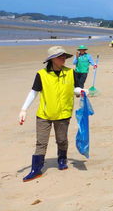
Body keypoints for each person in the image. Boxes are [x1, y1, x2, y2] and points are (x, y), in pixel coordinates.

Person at [18, 46, 85, 181]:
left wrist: (82, 91)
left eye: (64, 56)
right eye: (60, 56)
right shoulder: (42, 74)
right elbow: (34, 92)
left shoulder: (71, 73)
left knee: (61, 140)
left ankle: (62, 159)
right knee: (41, 142)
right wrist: (23, 109)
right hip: (44, 114)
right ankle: (36, 169)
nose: (63, 58)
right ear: (52, 59)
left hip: (63, 113)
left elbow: (75, 88)